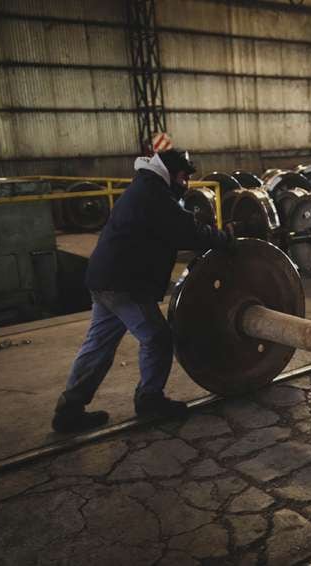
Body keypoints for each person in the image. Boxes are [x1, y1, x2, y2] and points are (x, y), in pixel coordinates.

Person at [52, 149, 234, 433]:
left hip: (104, 279)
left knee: (98, 344)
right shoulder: (154, 194)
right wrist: (226, 239)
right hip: (125, 283)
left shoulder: (144, 186)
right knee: (157, 338)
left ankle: (69, 409)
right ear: (171, 173)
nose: (186, 183)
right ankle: (150, 400)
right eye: (184, 176)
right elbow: (187, 232)